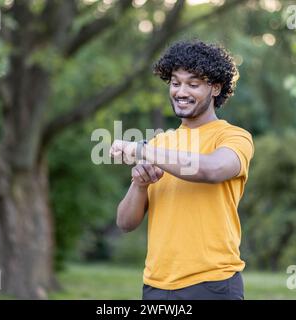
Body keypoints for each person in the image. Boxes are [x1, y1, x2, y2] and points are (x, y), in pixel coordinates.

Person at [110, 40, 254, 300]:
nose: (181, 91)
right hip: (156, 286)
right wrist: (140, 184)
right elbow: (125, 222)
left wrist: (141, 149)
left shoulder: (233, 137)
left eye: (193, 84)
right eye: (175, 83)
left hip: (212, 284)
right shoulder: (160, 145)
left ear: (215, 88)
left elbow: (212, 169)